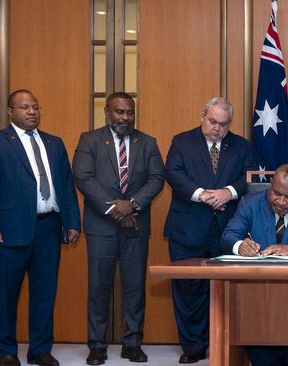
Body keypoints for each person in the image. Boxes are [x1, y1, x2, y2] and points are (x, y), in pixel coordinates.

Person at [72, 92, 165, 365]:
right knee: (99, 286)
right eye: (119, 112)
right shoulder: (89, 140)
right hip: (101, 226)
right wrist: (115, 209)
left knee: (135, 287)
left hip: (135, 225)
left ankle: (132, 344)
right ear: (107, 111)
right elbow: (83, 178)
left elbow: (157, 177)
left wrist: (131, 204)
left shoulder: (147, 142)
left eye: (129, 112)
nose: (125, 118)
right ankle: (97, 345)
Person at [164, 97, 255, 364]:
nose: (217, 128)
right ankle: (193, 346)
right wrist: (202, 194)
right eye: (213, 121)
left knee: (228, 290)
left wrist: (228, 192)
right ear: (202, 116)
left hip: (229, 230)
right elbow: (173, 173)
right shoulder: (181, 141)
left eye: (223, 125)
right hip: (187, 228)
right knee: (188, 289)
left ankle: (225, 342)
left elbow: (251, 178)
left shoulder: (242, 146)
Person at [0, 89, 81, 366]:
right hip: (9, 230)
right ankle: (6, 351)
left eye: (35, 107)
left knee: (45, 293)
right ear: (11, 112)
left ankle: (40, 349)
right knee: (6, 295)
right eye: (24, 107)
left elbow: (66, 185)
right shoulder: (0, 142)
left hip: (49, 227)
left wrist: (72, 222)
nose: (32, 111)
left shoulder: (54, 143)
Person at [220, 163, 288, 365]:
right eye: (276, 193)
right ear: (270, 186)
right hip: (255, 290)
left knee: (284, 328)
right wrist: (239, 246)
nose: (280, 201)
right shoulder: (250, 203)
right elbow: (228, 236)